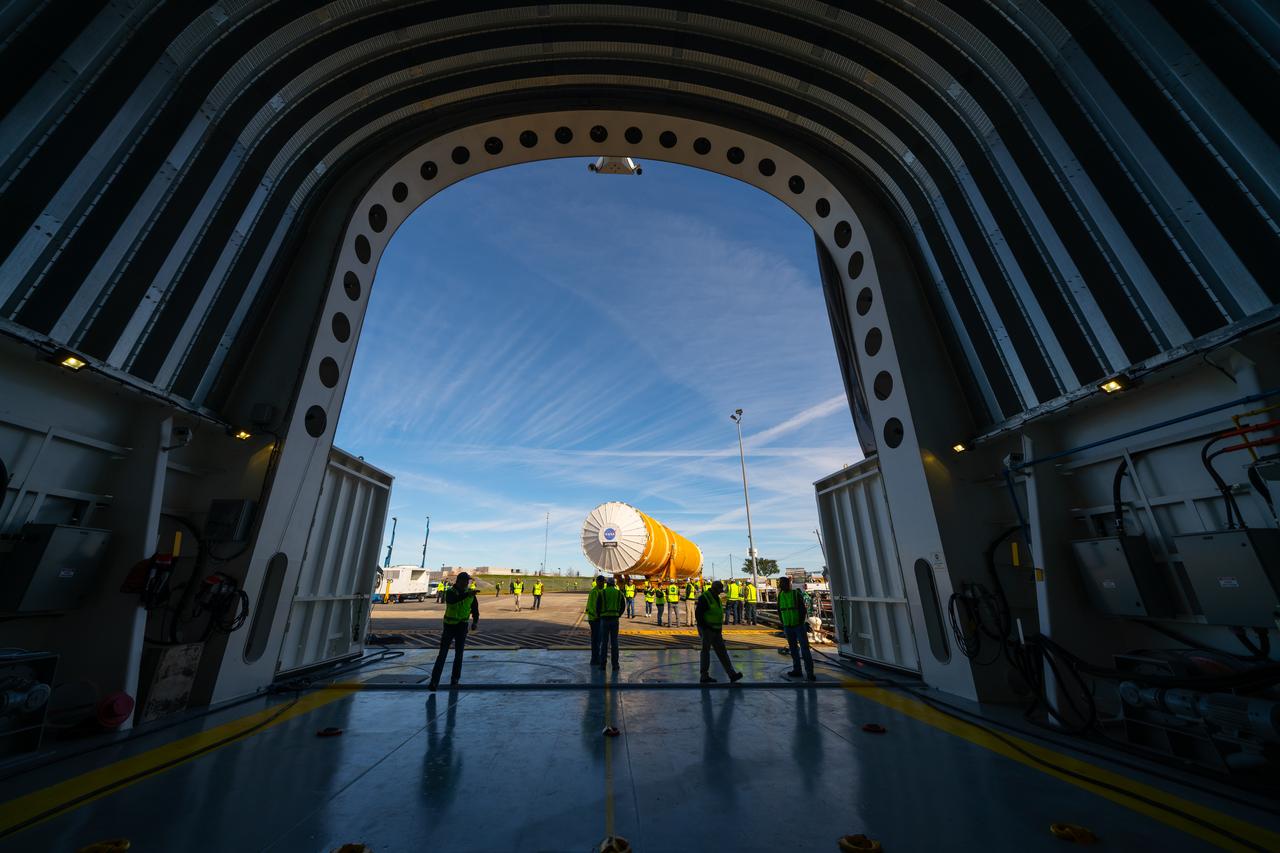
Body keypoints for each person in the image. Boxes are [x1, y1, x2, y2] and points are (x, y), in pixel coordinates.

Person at [429, 571, 479, 691]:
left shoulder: (470, 594)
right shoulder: (451, 592)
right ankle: (434, 681)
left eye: (468, 581)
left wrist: (475, 622)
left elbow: (475, 610)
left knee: (459, 654)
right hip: (449, 626)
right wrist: (468, 595)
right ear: (459, 581)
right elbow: (453, 600)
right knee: (443, 654)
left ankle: (455, 680)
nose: (468, 583)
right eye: (466, 581)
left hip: (462, 626)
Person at [695, 581, 742, 684]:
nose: (720, 592)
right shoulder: (705, 597)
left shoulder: (716, 597)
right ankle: (704, 675)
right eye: (719, 590)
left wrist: (719, 629)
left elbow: (717, 613)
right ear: (714, 588)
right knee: (705, 651)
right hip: (708, 629)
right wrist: (705, 628)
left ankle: (732, 674)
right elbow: (698, 615)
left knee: (722, 652)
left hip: (716, 630)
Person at [778, 577, 815, 681]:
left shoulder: (795, 594)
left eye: (784, 584)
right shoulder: (780, 595)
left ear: (788, 584)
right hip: (788, 626)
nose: (782, 586)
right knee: (793, 649)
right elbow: (779, 610)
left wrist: (801, 622)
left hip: (798, 626)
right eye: (781, 584)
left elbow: (803, 609)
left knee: (804, 649)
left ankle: (810, 673)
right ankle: (797, 670)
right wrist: (783, 622)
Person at [598, 577, 626, 671]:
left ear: (607, 584)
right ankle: (615, 665)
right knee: (614, 643)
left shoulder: (602, 593)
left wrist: (600, 616)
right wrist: (618, 615)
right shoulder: (619, 593)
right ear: (614, 584)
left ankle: (602, 665)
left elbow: (598, 606)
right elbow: (623, 606)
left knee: (604, 643)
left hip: (604, 620)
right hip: (615, 620)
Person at [586, 575, 605, 666]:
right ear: (597, 582)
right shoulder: (594, 592)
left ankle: (597, 658)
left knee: (598, 639)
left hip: (597, 618)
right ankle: (594, 659)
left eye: (603, 582)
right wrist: (597, 615)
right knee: (596, 640)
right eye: (600, 582)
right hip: (594, 619)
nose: (602, 583)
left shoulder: (602, 591)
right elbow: (592, 605)